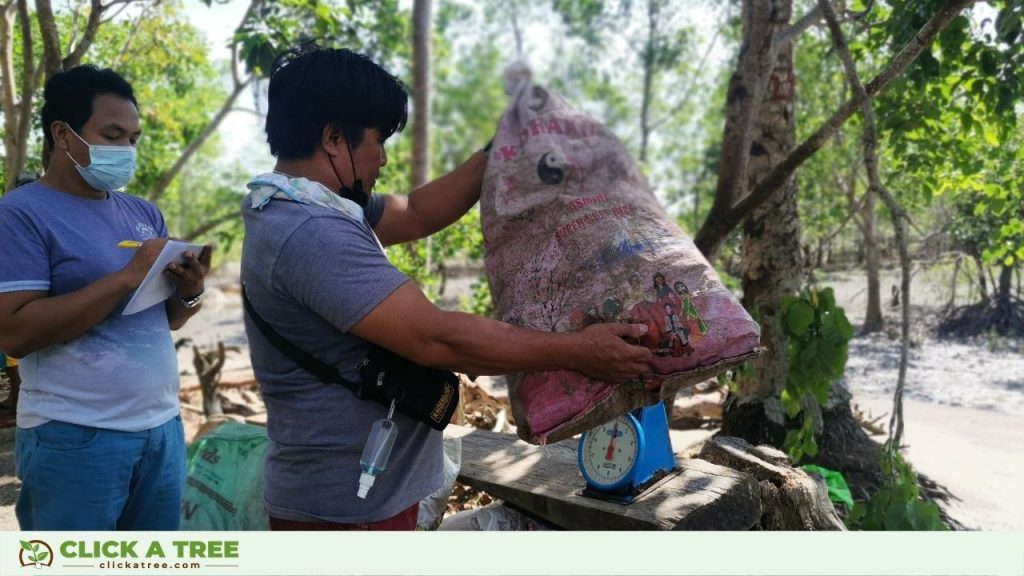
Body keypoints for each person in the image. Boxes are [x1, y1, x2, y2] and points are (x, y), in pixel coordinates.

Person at [240, 46, 652, 531]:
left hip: (367, 496)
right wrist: (580, 351)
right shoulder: (311, 232)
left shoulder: (314, 205)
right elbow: (439, 338)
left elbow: (415, 211)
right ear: (334, 139)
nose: (385, 159)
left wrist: (499, 146)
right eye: (377, 141)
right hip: (346, 513)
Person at [0, 64, 211, 530]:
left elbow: (166, 320)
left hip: (161, 430)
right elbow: (14, 333)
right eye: (113, 135)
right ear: (63, 133)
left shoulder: (143, 213)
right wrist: (123, 278)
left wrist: (190, 292)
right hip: (75, 437)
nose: (125, 151)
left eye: (133, 139)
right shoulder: (20, 214)